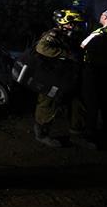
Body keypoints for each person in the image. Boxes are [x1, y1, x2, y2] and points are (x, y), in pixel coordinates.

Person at [33, 9, 85, 147]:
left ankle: (76, 131)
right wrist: (66, 54)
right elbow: (41, 47)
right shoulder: (54, 34)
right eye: (73, 23)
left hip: (66, 76)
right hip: (51, 77)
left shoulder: (69, 35)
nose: (76, 26)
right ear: (65, 23)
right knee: (47, 103)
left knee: (75, 102)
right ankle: (42, 134)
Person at [80, 10, 107, 147]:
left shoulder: (100, 32)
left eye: (102, 14)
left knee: (91, 102)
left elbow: (83, 45)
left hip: (94, 69)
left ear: (106, 17)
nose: (100, 16)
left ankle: (90, 134)